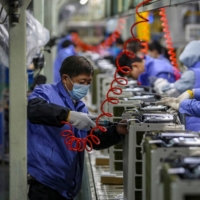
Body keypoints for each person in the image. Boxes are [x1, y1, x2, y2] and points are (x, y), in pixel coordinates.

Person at [27, 56, 127, 200]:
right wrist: (68, 115)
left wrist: (116, 131)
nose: (85, 86)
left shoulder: (79, 105)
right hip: (45, 181)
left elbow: (91, 139)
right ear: (66, 79)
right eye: (82, 82)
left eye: (88, 82)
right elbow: (33, 109)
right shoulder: (46, 92)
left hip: (66, 184)